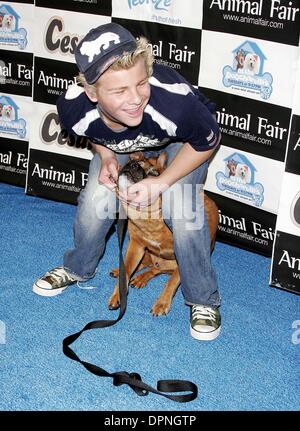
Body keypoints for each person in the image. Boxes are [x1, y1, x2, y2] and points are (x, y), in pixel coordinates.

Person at [32, 23, 221, 341]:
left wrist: (162, 182)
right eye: (119, 91)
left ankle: (203, 300)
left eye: (141, 83)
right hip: (122, 141)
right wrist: (106, 156)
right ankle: (78, 267)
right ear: (92, 93)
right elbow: (94, 134)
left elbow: (206, 141)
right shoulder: (72, 108)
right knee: (97, 200)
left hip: (182, 140)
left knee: (182, 206)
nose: (135, 99)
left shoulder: (174, 101)